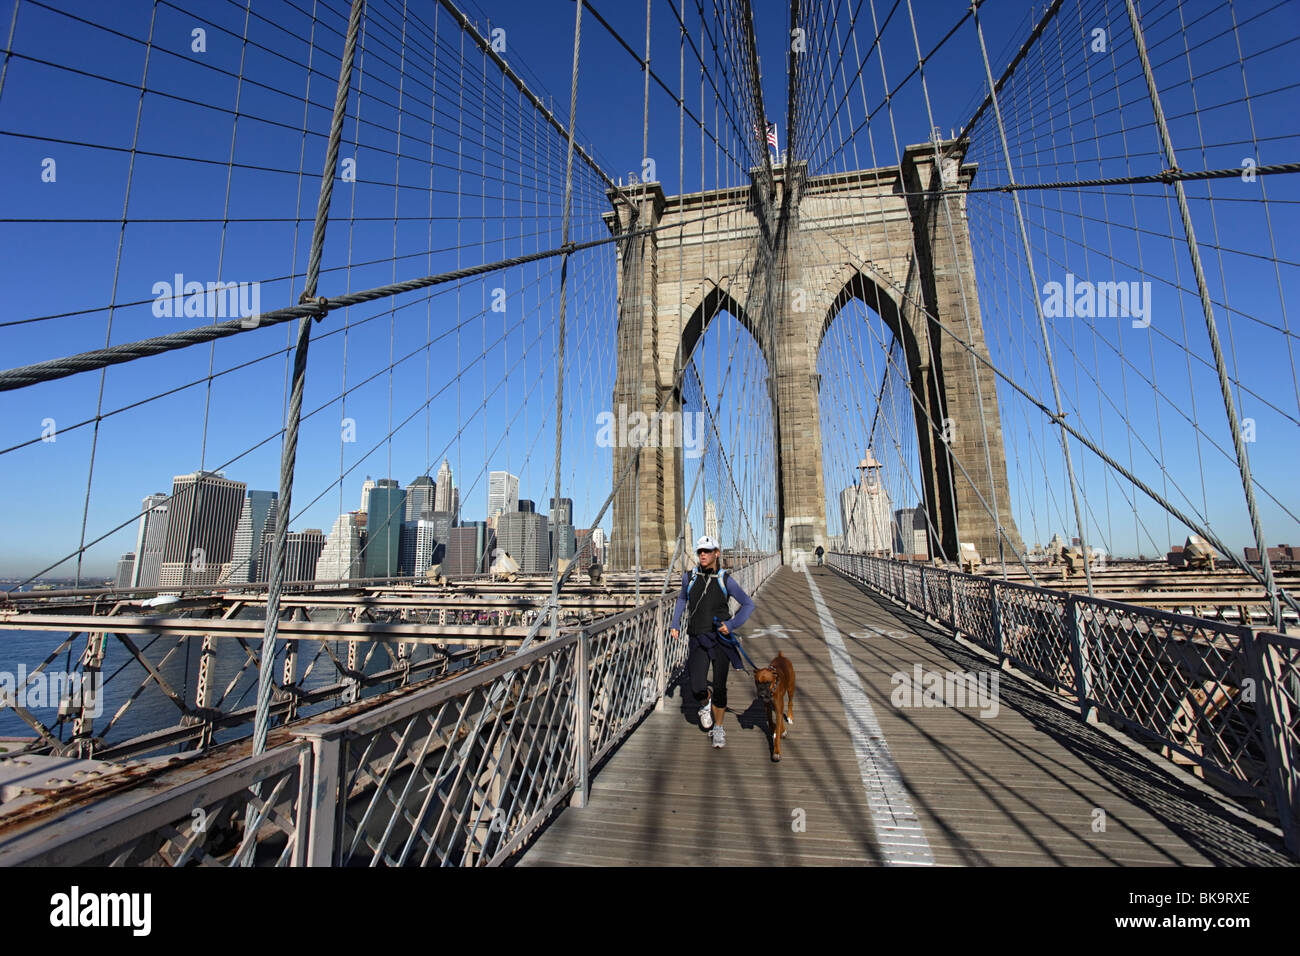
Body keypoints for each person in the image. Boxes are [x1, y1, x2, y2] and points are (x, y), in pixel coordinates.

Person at [669, 536, 755, 749]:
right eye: (699, 552)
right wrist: (675, 623)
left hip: (720, 640)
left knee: (719, 687)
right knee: (697, 685)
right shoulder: (689, 577)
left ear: (717, 552)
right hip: (697, 637)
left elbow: (748, 604)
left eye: (707, 551)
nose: (702, 555)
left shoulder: (725, 579)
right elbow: (681, 599)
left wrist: (732, 624)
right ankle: (704, 704)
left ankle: (718, 728)